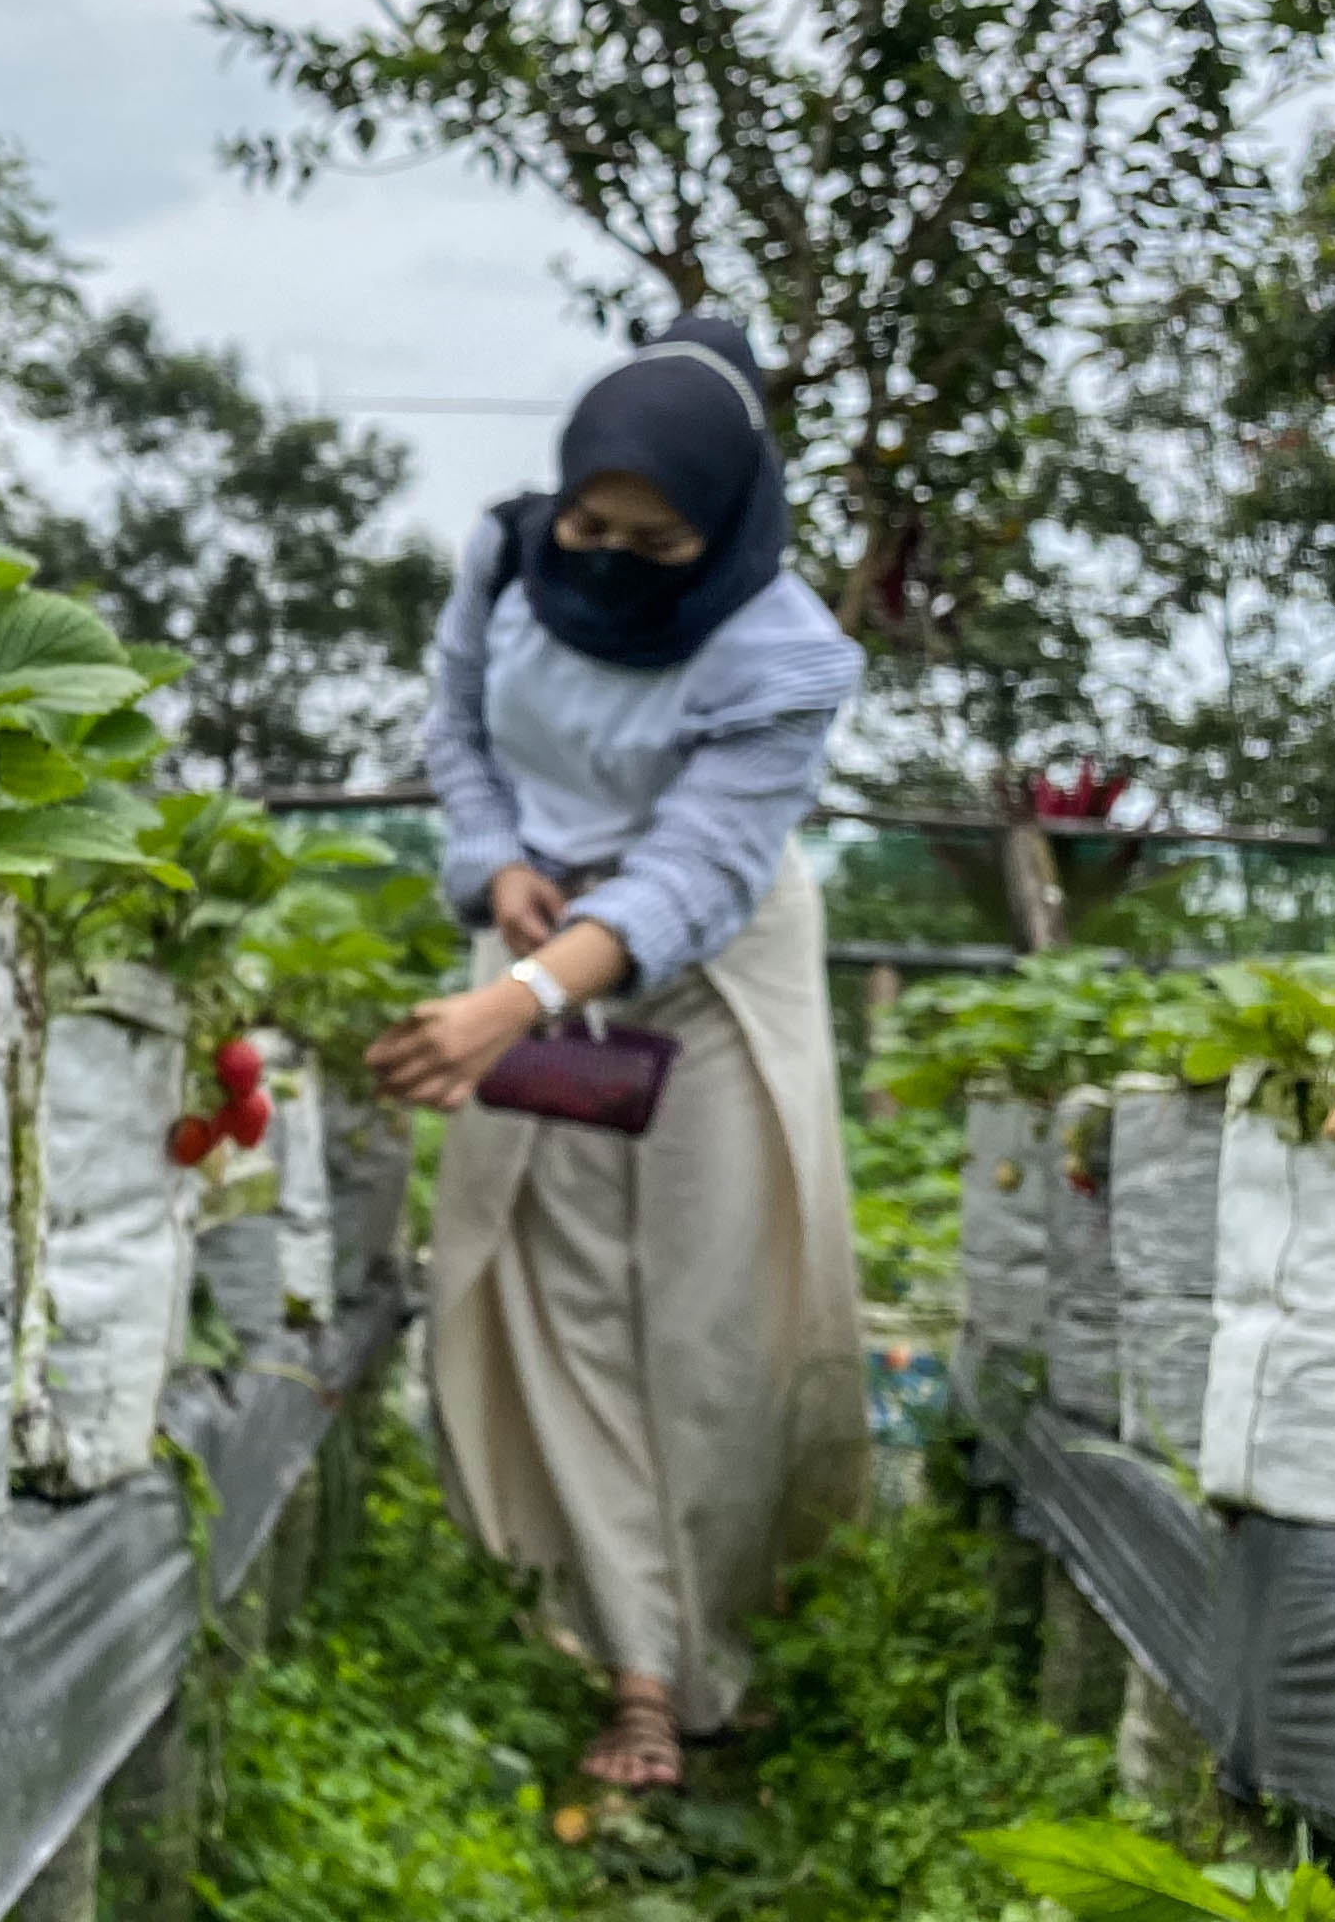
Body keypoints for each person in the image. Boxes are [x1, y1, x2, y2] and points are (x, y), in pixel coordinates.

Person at [366, 315, 868, 1793]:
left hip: (708, 980)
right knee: (561, 1284)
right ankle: (633, 1668)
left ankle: (720, 1637)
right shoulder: (506, 558)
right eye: (589, 519)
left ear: (720, 534)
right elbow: (456, 727)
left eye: (652, 545)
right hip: (534, 945)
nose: (601, 556)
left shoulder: (785, 653)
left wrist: (514, 995)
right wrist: (496, 861)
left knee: (714, 1310)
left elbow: (696, 876)